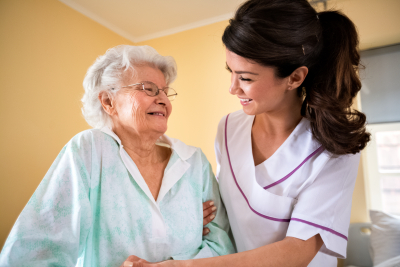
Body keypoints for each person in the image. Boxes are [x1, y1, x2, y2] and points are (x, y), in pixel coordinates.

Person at [122, 0, 370, 266]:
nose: (232, 88)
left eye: (246, 78)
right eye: (231, 72)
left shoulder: (335, 151)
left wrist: (181, 265)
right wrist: (195, 213)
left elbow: (297, 250)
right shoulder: (228, 128)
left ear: (295, 78)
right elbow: (226, 209)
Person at [0, 45, 235, 267]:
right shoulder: (90, 150)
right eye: (149, 89)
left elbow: (222, 246)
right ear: (108, 101)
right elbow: (33, 254)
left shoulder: (193, 161)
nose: (163, 99)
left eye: (165, 91)